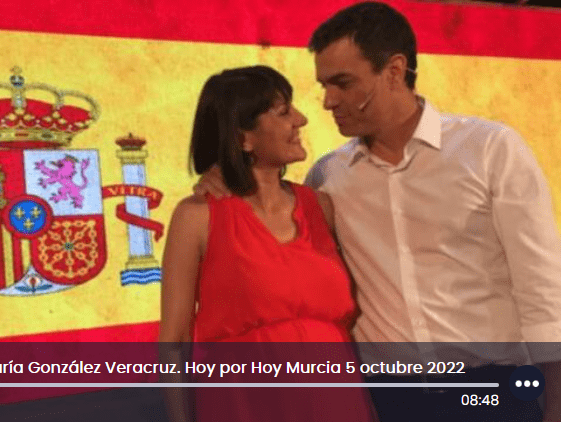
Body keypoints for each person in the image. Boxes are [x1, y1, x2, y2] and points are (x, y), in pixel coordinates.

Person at [193, 3, 561, 422]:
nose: (328, 102)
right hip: (387, 400)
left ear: (394, 71)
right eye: (324, 85)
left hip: (491, 390)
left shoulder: (490, 149)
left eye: (343, 83)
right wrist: (220, 178)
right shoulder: (327, 177)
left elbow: (541, 286)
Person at [158, 65, 376, 422]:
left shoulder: (320, 205)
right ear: (243, 137)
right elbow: (174, 341)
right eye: (283, 112)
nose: (301, 120)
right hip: (244, 406)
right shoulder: (196, 217)